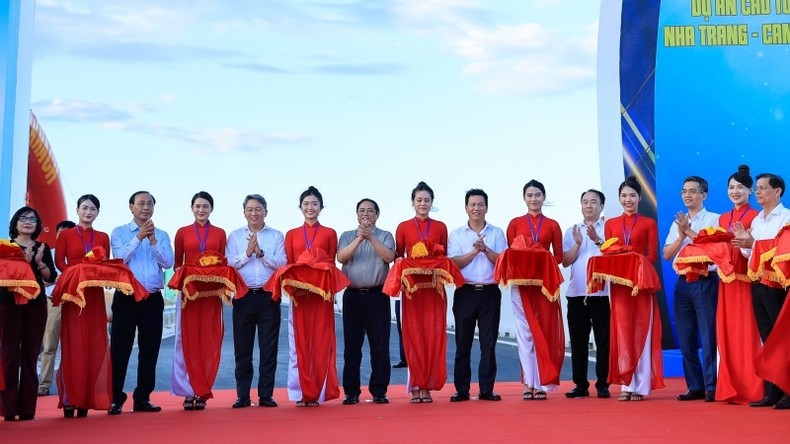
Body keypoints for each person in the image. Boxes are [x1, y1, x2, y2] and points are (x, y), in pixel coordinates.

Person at [109, 191, 174, 415]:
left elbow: (168, 263)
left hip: (153, 299)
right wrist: (138, 238)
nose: (145, 207)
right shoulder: (119, 233)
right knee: (120, 349)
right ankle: (115, 398)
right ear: (131, 207)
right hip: (126, 297)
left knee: (149, 351)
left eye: (149, 204)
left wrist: (153, 240)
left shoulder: (162, 234)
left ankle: (142, 398)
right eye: (141, 203)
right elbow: (119, 259)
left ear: (154, 208)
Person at [733, 173, 790, 409]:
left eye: (763, 188)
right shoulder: (757, 219)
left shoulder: (786, 218)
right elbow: (750, 255)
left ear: (778, 191)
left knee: (783, 340)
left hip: (777, 286)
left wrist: (752, 244)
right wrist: (745, 242)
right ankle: (772, 392)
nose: (757, 192)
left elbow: (781, 250)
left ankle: (788, 390)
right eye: (756, 188)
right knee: (767, 339)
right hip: (757, 283)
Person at [603, 176, 662, 401]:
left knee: (641, 331)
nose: (628, 200)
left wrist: (633, 260)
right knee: (622, 332)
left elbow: (653, 256)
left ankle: (640, 385)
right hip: (619, 286)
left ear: (640, 197)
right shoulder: (611, 224)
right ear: (619, 198)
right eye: (624, 196)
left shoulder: (649, 223)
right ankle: (626, 385)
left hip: (641, 284)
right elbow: (607, 253)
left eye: (632, 195)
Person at [663, 176, 720, 402]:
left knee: (708, 336)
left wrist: (690, 233)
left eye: (693, 191)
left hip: (706, 280)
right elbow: (667, 254)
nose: (687, 195)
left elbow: (714, 252)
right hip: (682, 283)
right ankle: (694, 386)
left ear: (703, 195)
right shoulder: (678, 221)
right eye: (684, 191)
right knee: (686, 338)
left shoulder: (714, 219)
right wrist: (680, 236)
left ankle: (711, 386)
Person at [505, 179, 564, 401]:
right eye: (530, 195)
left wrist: (541, 257)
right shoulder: (515, 223)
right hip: (520, 287)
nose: (534, 199)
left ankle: (542, 384)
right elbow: (511, 254)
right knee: (525, 335)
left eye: (537, 195)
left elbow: (558, 256)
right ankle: (529, 382)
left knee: (545, 332)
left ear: (544, 197)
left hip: (545, 285)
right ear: (524, 198)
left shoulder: (553, 225)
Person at [226, 194, 286, 408]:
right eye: (250, 209)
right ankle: (243, 395)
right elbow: (229, 264)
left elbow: (281, 263)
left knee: (268, 349)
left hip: (268, 297)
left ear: (266, 212)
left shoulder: (277, 236)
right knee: (243, 349)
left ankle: (265, 395)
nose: (254, 213)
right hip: (243, 297)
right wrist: (247, 253)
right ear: (244, 212)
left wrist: (260, 254)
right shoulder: (234, 237)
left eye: (258, 209)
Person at [282, 186, 341, 406]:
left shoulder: (329, 233)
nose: (310, 207)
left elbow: (331, 266)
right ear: (300, 207)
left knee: (321, 343)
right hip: (299, 297)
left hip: (321, 297)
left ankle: (318, 391)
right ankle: (300, 392)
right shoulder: (291, 234)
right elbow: (289, 265)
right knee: (299, 344)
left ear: (321, 207)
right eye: (306, 204)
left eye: (314, 203)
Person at [55, 194, 112, 417]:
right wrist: (75, 273)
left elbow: (106, 263)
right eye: (85, 208)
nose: (88, 212)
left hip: (95, 296)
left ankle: (87, 398)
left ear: (98, 213)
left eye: (93, 209)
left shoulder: (102, 236)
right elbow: (60, 262)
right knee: (73, 344)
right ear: (77, 210)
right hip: (73, 294)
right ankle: (71, 398)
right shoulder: (66, 235)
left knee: (94, 344)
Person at [447, 189, 506, 402]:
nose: (476, 208)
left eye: (480, 204)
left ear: (487, 208)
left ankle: (486, 389)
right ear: (466, 208)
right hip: (465, 292)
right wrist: (474, 251)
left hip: (490, 292)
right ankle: (462, 389)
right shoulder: (457, 234)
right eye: (472, 204)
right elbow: (453, 263)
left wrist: (485, 249)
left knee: (488, 343)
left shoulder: (497, 233)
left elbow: (502, 260)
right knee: (463, 342)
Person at [171, 192, 227, 410]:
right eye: (197, 206)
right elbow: (177, 265)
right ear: (191, 208)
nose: (201, 210)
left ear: (211, 209)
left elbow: (224, 262)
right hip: (190, 295)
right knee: (186, 341)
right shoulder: (182, 233)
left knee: (209, 340)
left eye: (205, 206)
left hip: (212, 295)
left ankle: (202, 389)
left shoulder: (220, 233)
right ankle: (187, 390)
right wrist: (193, 274)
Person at [394, 181, 449, 404]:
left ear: (432, 202)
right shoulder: (403, 227)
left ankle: (428, 385)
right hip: (412, 290)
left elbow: (445, 257)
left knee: (433, 336)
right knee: (413, 335)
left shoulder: (441, 227)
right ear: (413, 202)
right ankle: (415, 385)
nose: (423, 203)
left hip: (435, 289)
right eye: (419, 200)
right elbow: (398, 257)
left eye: (427, 200)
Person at [337, 198, 396, 405]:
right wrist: (359, 238)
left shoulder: (385, 235)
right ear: (356, 214)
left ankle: (379, 390)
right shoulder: (346, 236)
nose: (366, 214)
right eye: (361, 210)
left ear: (377, 214)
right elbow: (342, 258)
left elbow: (389, 257)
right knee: (352, 346)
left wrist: (370, 238)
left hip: (378, 296)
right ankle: (351, 392)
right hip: (352, 296)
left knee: (380, 345)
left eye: (370, 211)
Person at [0, 207, 56, 421]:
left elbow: (50, 278)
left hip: (35, 305)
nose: (27, 222)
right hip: (8, 304)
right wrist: (21, 260)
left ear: (37, 224)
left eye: (32, 218)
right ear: (15, 223)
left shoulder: (44, 247)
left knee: (31, 356)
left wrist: (38, 262)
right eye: (23, 218)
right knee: (9, 356)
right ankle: (8, 409)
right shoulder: (5, 246)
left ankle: (27, 410)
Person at [714, 166, 762, 403]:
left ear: (751, 191)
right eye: (731, 187)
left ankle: (753, 388)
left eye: (740, 187)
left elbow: (758, 249)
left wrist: (746, 243)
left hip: (747, 282)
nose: (735, 191)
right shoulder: (722, 218)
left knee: (748, 333)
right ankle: (730, 388)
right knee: (728, 333)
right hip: (726, 284)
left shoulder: (757, 216)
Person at [562, 189, 610, 399]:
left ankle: (603, 384)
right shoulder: (571, 231)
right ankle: (580, 384)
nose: (589, 205)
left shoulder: (609, 229)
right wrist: (579, 244)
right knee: (578, 341)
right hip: (577, 293)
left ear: (601, 206)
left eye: (593, 202)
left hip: (602, 294)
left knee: (604, 341)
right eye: (585, 202)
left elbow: (613, 254)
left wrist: (598, 239)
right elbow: (565, 261)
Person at [37, 220, 75, 397]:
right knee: (49, 346)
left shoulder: (78, 255)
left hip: (75, 303)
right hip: (53, 303)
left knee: (74, 347)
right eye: (61, 232)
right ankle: (44, 384)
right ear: (56, 234)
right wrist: (60, 280)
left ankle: (71, 385)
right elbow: (42, 279)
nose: (64, 235)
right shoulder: (47, 254)